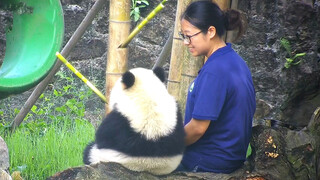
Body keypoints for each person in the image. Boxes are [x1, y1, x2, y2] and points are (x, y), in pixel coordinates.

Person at [176, 0, 256, 174]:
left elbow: (197, 128)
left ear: (211, 31)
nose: (185, 42)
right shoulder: (235, 61)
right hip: (229, 159)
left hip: (207, 162)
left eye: (189, 35)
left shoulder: (215, 71)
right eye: (183, 36)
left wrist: (166, 144)